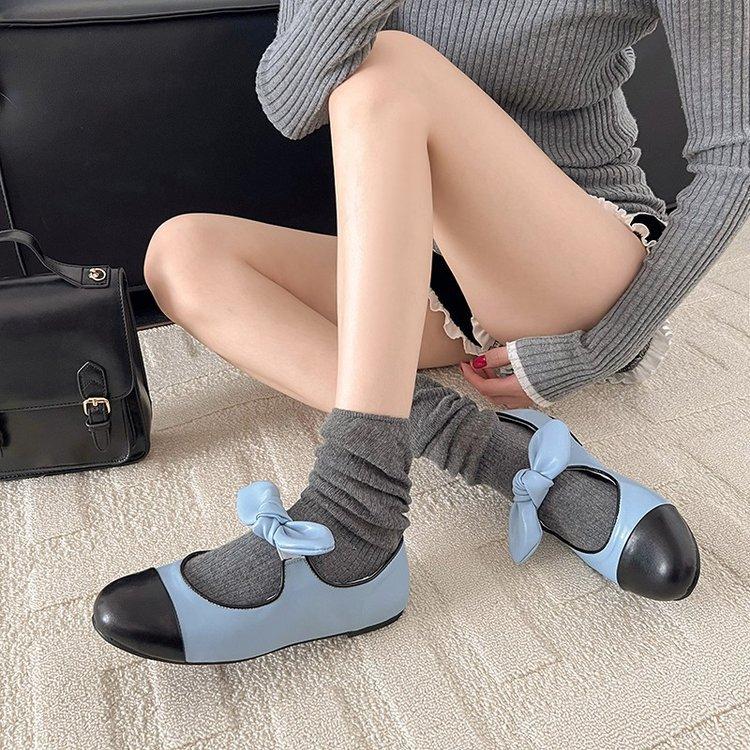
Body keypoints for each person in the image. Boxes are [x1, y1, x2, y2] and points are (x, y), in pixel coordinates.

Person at [92, 1, 746, 664]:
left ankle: (353, 515)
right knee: (181, 256)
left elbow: (735, 161)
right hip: (437, 272)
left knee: (389, 66)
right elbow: (291, 103)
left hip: (574, 256)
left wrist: (597, 350)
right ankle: (493, 451)